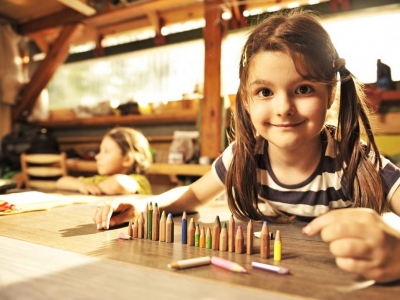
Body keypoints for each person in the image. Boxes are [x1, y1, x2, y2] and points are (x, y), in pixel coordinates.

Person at [93, 11, 400, 283]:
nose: (284, 108)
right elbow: (191, 196)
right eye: (265, 91)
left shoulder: (357, 160)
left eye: (303, 89)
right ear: (246, 100)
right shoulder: (245, 155)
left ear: (331, 93)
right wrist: (146, 208)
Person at [56, 127, 152, 195]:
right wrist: (82, 185)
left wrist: (97, 187)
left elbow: (118, 184)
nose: (97, 157)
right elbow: (61, 182)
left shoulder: (140, 181)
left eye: (106, 151)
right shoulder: (100, 180)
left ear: (127, 159)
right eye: (99, 151)